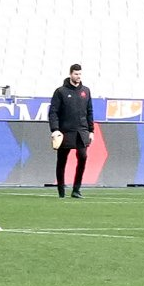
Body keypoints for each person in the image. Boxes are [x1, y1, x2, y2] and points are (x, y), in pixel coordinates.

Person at [47, 64, 95, 198]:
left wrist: (91, 131)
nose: (78, 77)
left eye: (80, 74)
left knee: (83, 157)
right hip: (65, 132)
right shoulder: (60, 91)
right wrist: (55, 129)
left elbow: (89, 111)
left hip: (82, 131)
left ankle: (76, 189)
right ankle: (61, 190)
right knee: (62, 161)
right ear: (70, 74)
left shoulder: (86, 91)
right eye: (75, 74)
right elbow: (53, 112)